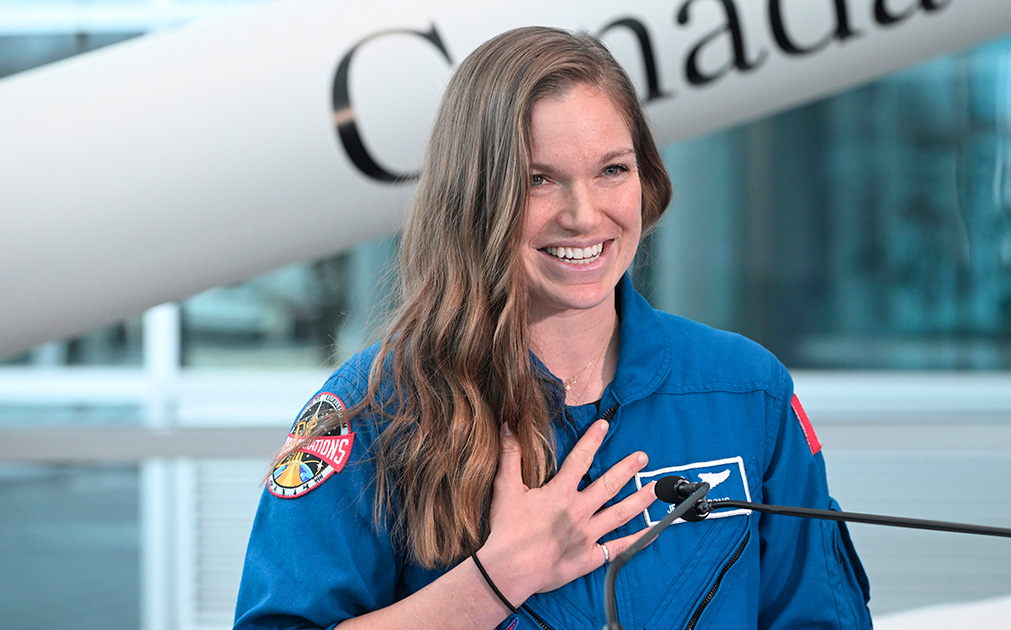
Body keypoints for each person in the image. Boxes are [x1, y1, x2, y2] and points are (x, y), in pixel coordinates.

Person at [234, 25, 871, 630]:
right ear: (473, 197)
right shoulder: (374, 412)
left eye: (612, 170)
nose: (583, 215)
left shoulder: (748, 393)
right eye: (538, 180)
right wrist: (495, 580)